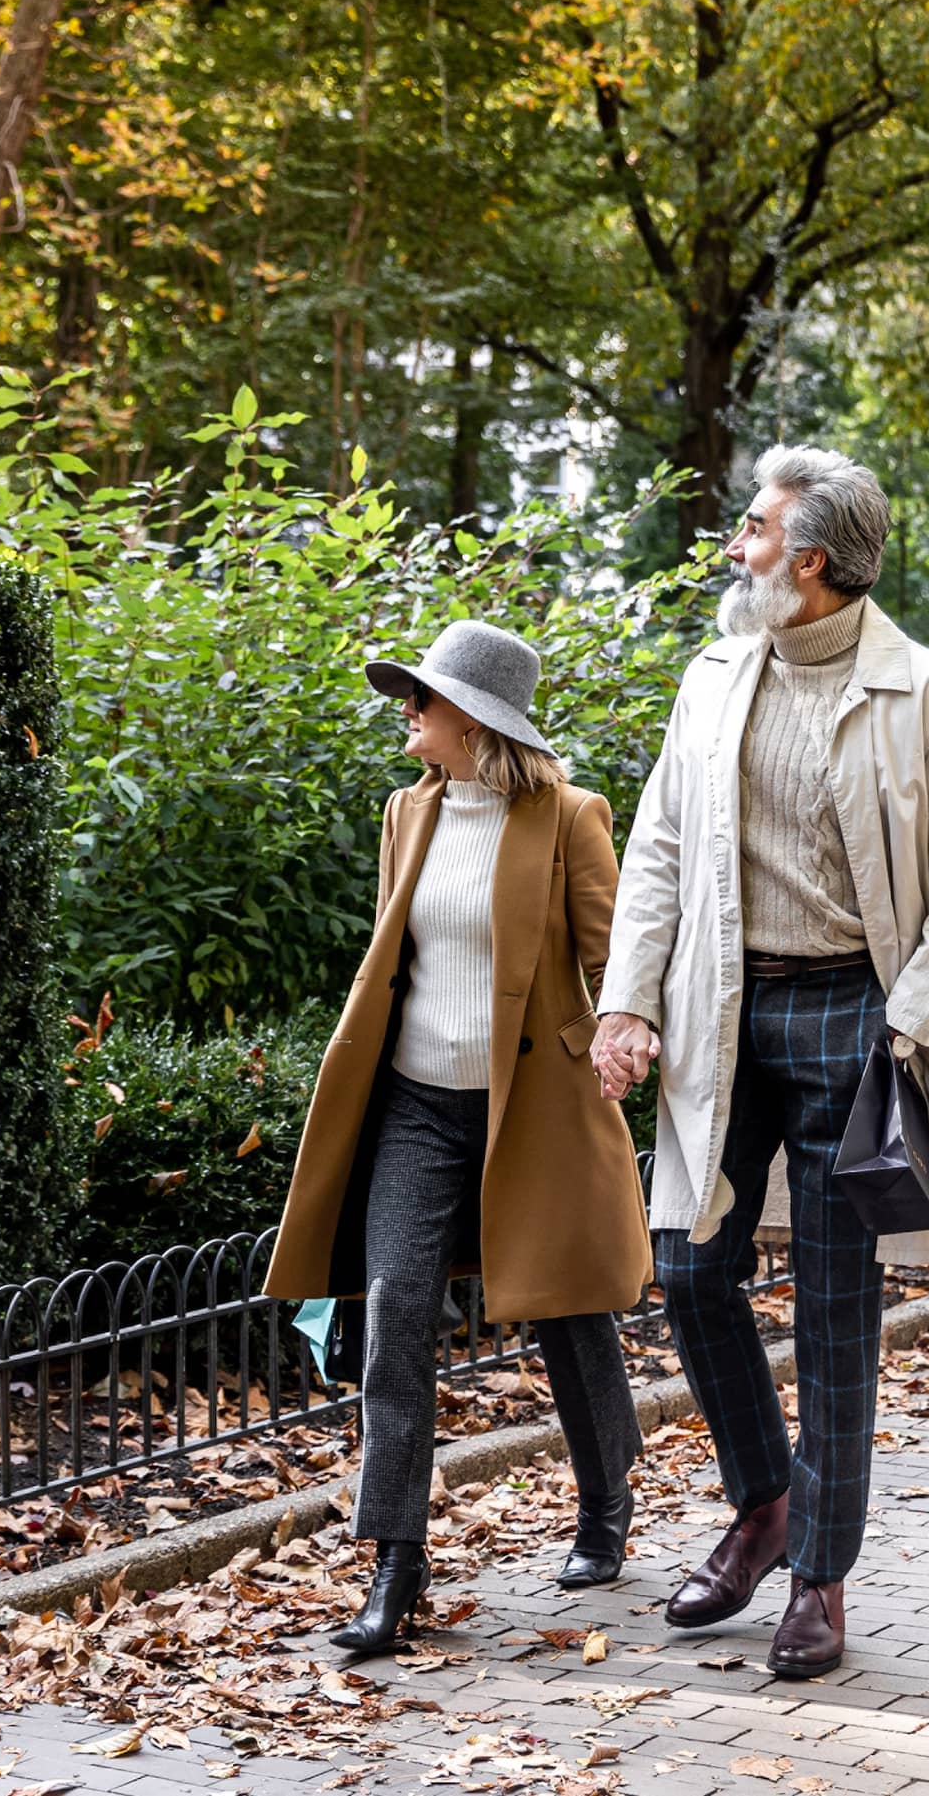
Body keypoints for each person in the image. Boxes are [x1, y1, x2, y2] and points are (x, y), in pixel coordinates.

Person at [592, 445, 929, 1679]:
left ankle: (818, 1575)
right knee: (686, 1263)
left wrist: (908, 1020)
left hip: (858, 1020)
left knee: (837, 1311)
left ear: (813, 560)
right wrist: (628, 1003)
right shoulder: (716, 676)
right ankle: (763, 1499)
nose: (737, 544)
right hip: (723, 1013)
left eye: (755, 526)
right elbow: (662, 848)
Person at [264, 620, 652, 1657]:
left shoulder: (569, 817)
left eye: (422, 697)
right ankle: (396, 1562)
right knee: (394, 1318)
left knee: (566, 1314)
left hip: (531, 1110)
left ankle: (606, 1499)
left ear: (474, 719)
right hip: (415, 1106)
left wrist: (610, 1040)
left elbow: (615, 959)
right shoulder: (407, 812)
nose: (407, 710)